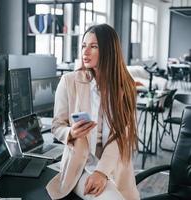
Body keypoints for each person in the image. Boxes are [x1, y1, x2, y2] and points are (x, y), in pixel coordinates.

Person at [46, 24, 140, 200]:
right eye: (83, 45)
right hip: (81, 165)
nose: (85, 52)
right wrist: (71, 133)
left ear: (108, 50)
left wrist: (102, 172)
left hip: (115, 165)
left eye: (93, 46)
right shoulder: (69, 82)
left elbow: (121, 135)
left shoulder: (125, 85)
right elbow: (57, 126)